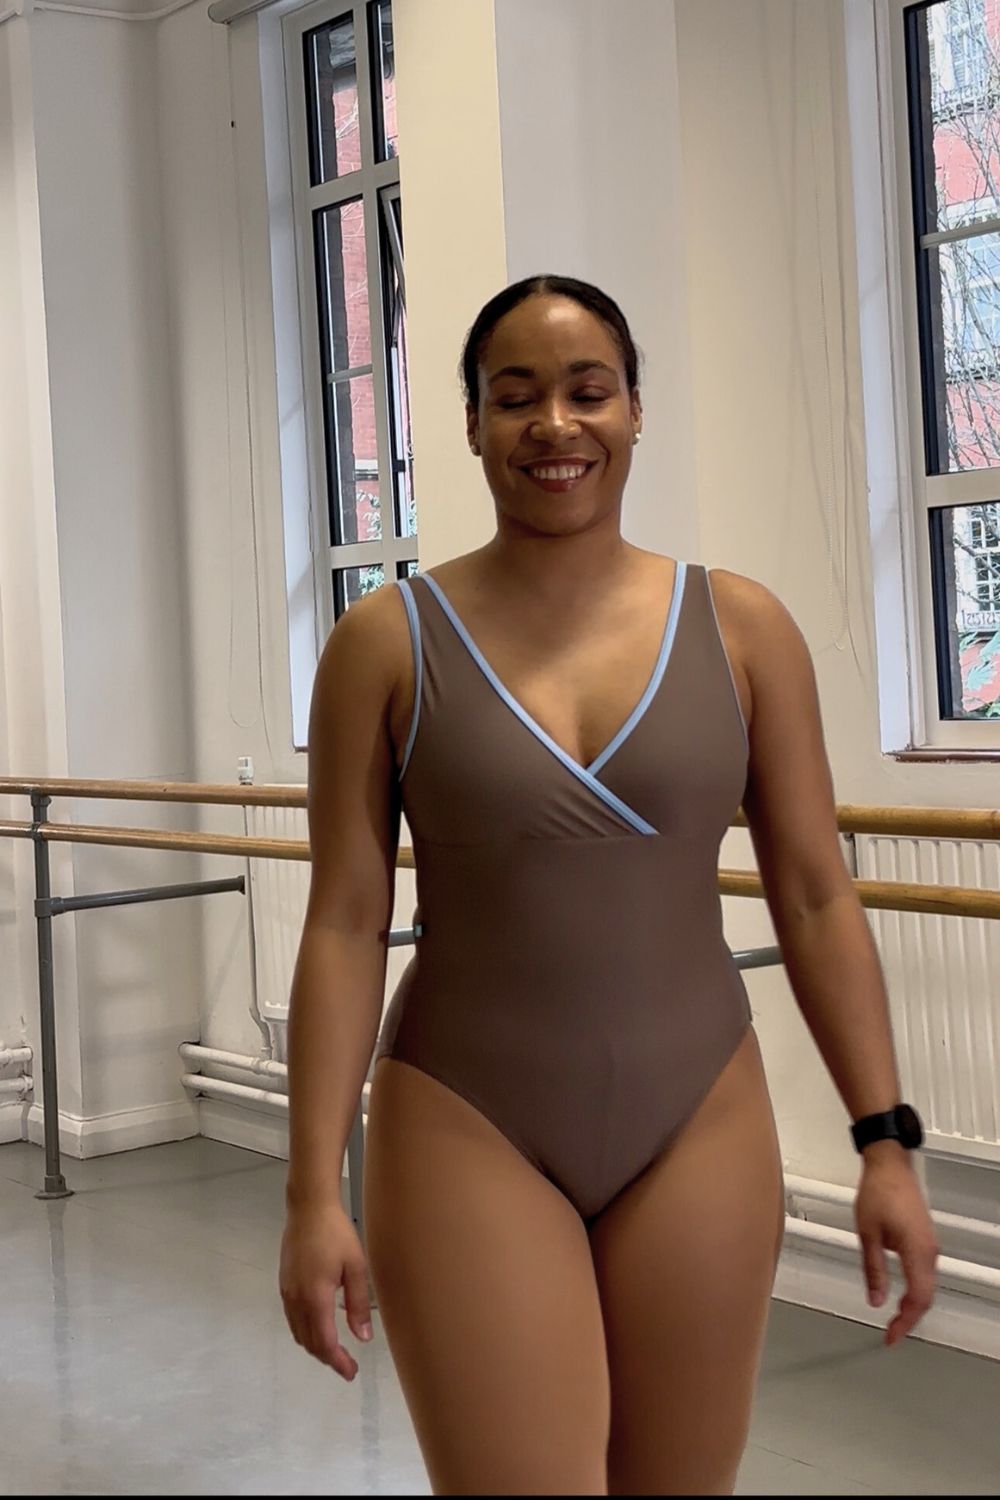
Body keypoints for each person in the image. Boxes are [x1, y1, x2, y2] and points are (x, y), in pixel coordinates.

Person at [279, 275, 939, 1496]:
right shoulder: (383, 642)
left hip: (698, 1117)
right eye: (514, 396)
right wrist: (311, 1191)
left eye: (588, 392)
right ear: (470, 423)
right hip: (465, 1115)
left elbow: (812, 894)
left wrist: (883, 1142)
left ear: (636, 410)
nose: (555, 425)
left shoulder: (742, 628)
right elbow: (345, 921)